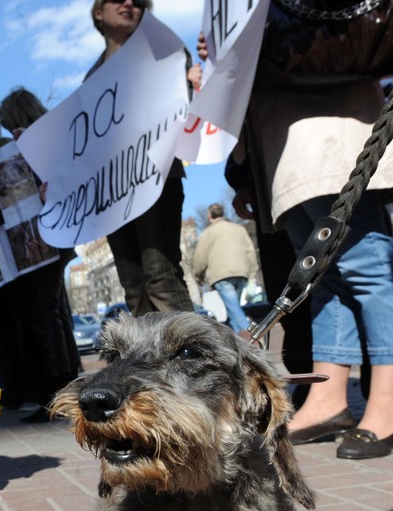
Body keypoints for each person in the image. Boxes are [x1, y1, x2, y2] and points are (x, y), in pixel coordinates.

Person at [213, 18, 393, 457]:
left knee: (366, 268)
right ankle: (329, 396)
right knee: (323, 278)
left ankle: (387, 401)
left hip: (332, 118)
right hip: (279, 137)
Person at [86, 0, 198, 316]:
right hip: (114, 193)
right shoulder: (92, 78)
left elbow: (183, 105)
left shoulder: (162, 50)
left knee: (162, 278)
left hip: (156, 177)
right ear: (98, 12)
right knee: (134, 289)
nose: (128, 3)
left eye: (137, 1)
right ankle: (150, 351)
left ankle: (192, 348)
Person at [0, 87, 82, 423]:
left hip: (44, 239)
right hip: (55, 236)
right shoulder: (53, 135)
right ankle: (65, 385)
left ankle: (55, 394)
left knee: (44, 314)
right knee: (53, 313)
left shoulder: (38, 141)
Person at [192, 203, 258, 334]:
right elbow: (250, 252)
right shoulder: (239, 229)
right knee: (233, 309)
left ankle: (251, 338)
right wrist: (252, 274)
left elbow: (200, 258)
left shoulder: (208, 232)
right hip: (242, 273)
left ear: (209, 216)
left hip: (221, 275)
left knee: (234, 310)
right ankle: (230, 339)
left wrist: (198, 275)